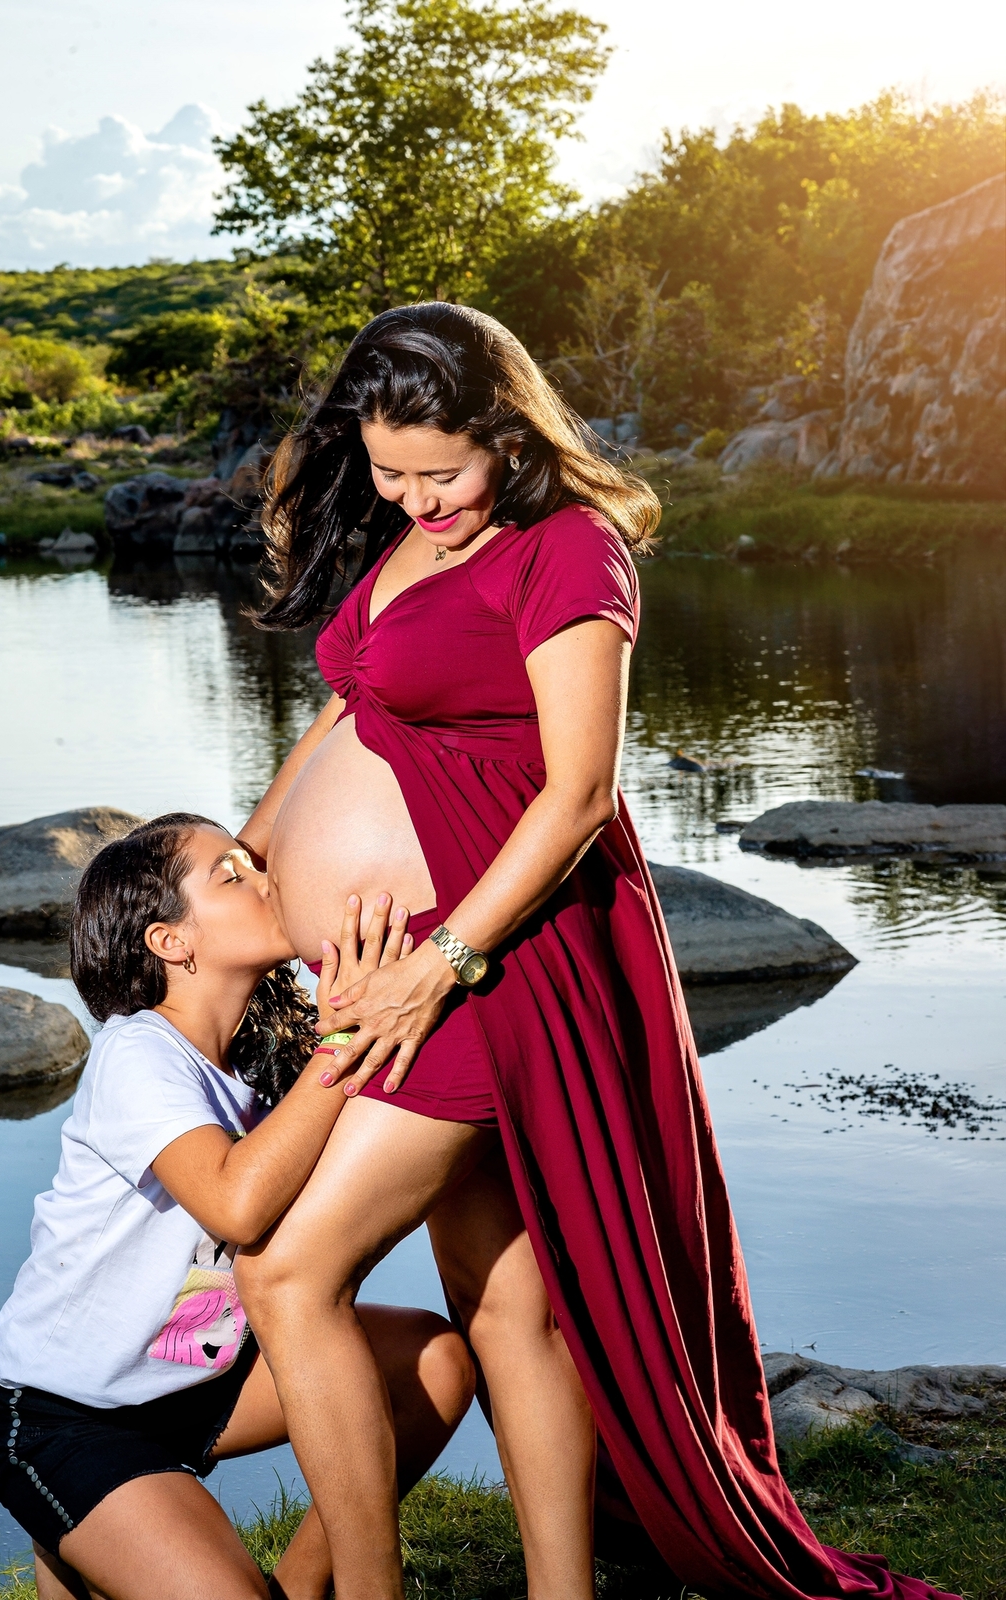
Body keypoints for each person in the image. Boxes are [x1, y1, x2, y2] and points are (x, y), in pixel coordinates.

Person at [231, 303, 957, 1600]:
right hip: (392, 970)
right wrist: (251, 860)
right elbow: (354, 705)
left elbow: (576, 796)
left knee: (292, 1265)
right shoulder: (403, 539)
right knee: (502, 1303)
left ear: (505, 430)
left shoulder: (569, 551)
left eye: (438, 472)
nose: (413, 500)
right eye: (389, 473)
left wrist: (437, 959)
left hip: (487, 968)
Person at [0, 814, 474, 1600]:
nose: (269, 881)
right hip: (71, 1414)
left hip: (198, 1384)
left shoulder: (260, 1051)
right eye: (232, 875)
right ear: (171, 942)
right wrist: (341, 1045)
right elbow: (237, 1205)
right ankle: (81, 1514)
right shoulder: (136, 1052)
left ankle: (298, 1586)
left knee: (435, 1362)